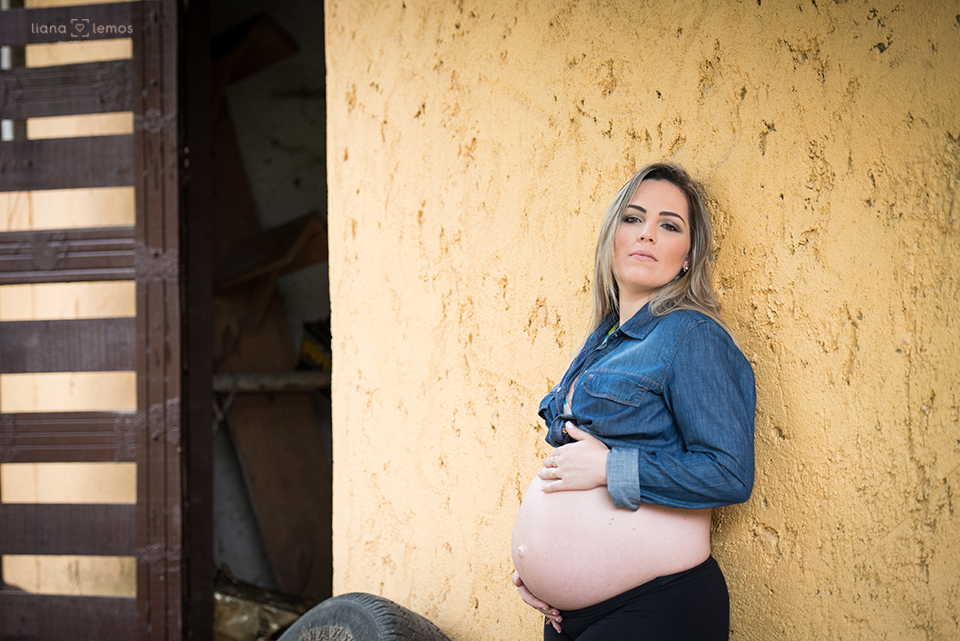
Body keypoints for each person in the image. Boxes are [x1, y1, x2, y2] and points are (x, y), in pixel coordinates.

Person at [510, 162, 755, 640]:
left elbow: (729, 472)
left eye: (669, 226)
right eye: (633, 218)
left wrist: (610, 470)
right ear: (612, 237)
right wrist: (536, 566)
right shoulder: (604, 342)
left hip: (655, 608)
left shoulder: (691, 335)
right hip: (567, 616)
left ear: (688, 255)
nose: (647, 235)